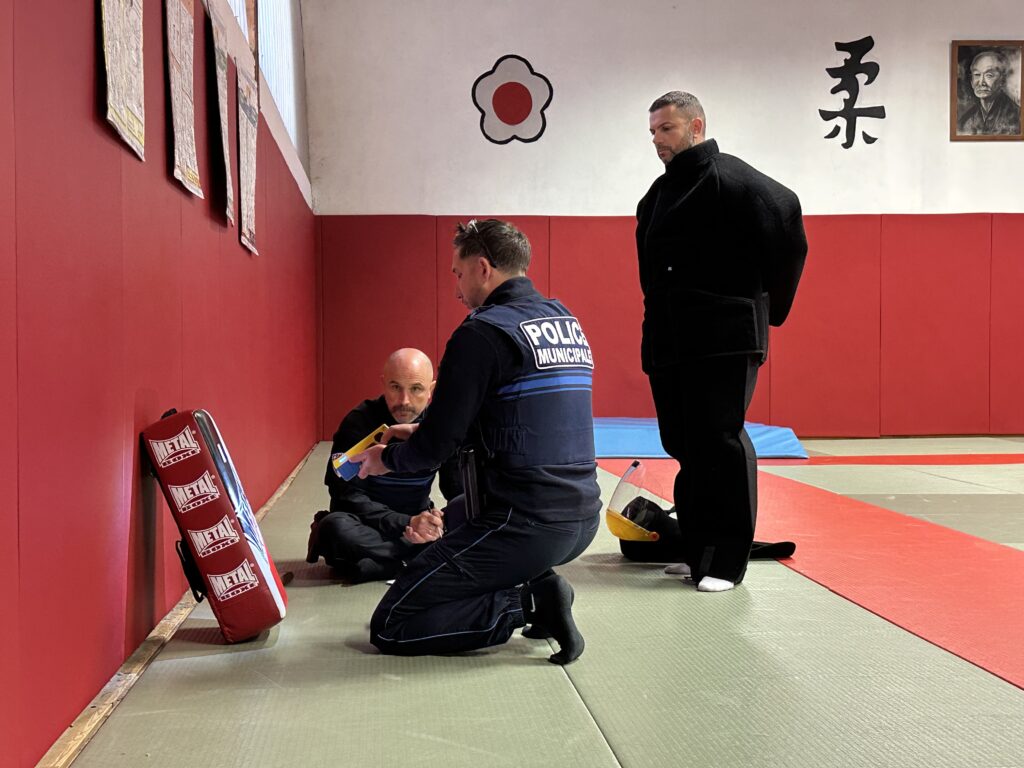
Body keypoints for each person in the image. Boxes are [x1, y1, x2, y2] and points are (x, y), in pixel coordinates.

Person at [354, 218, 601, 665]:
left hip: (522, 522)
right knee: (447, 529)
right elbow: (514, 416)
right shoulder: (566, 322)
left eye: (458, 273)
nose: (456, 288)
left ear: (483, 268)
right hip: (581, 518)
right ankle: (536, 582)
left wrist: (386, 458)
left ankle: (526, 602)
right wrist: (421, 431)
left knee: (392, 625)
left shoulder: (481, 333)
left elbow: (435, 448)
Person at [637, 91, 807, 593]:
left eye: (666, 129)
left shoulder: (737, 181)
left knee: (720, 441)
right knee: (686, 446)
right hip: (670, 338)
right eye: (652, 132)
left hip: (725, 337)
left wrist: (767, 305)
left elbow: (788, 223)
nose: (657, 141)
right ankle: (697, 549)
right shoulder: (657, 194)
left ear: (696, 126)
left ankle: (726, 561)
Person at [306, 348, 460, 583]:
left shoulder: (440, 428)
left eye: (416, 389)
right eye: (395, 387)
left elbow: (456, 489)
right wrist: (406, 523)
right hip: (367, 524)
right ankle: (414, 560)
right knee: (333, 528)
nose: (404, 401)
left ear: (431, 390)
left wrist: (441, 520)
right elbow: (345, 496)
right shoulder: (358, 423)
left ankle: (383, 565)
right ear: (383, 384)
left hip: (415, 525)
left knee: (467, 522)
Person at [957, 50, 1021, 136]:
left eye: (989, 75)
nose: (981, 82)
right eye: (977, 75)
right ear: (971, 81)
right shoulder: (965, 121)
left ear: (1002, 80)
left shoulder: (1017, 116)